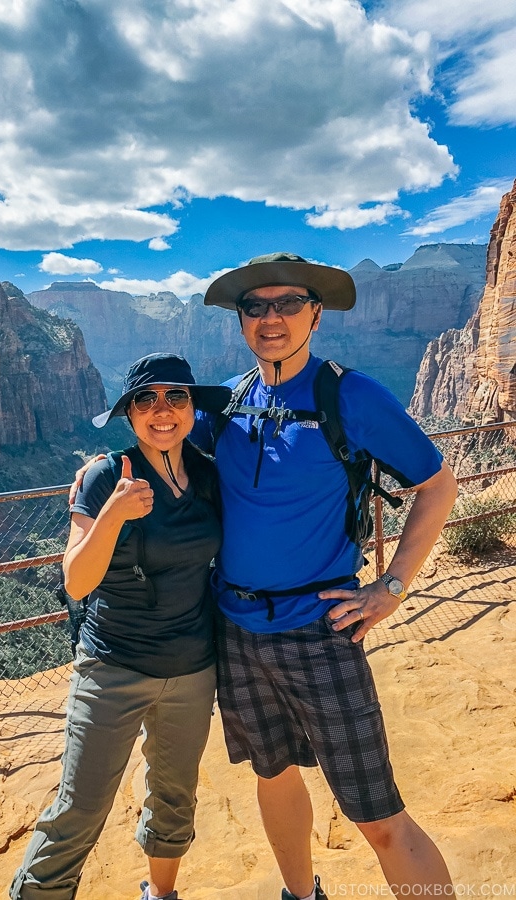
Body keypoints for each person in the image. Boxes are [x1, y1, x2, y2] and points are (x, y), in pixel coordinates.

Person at [72, 254, 459, 900]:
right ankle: (300, 895)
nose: (271, 317)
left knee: (377, 815)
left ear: (315, 313)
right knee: (272, 773)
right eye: (256, 306)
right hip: (238, 633)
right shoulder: (226, 404)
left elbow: (438, 485)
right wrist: (94, 478)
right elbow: (157, 433)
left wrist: (390, 588)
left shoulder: (350, 395)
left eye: (287, 304)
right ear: (241, 321)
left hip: (321, 630)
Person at [10, 353, 231, 900]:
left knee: (175, 797)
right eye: (146, 400)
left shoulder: (206, 473)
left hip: (193, 669)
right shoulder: (108, 475)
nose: (162, 411)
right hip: (112, 667)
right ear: (128, 413)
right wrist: (112, 513)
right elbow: (77, 581)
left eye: (175, 397)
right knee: (79, 807)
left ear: (191, 408)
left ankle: (160, 894)